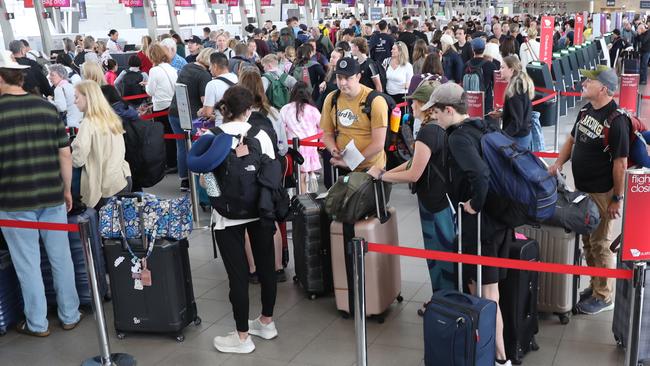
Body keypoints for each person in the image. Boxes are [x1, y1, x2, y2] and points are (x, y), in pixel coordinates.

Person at [0, 50, 82, 338]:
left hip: (12, 201)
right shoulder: (47, 109)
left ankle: (37, 323)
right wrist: (67, 189)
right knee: (61, 258)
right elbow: (65, 153)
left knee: (28, 265)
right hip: (52, 196)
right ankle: (70, 315)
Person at [429, 82, 512, 366]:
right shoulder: (483, 126)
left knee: (485, 294)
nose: (434, 118)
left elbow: (481, 175)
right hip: (500, 220)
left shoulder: (458, 138)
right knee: (492, 292)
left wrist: (474, 205)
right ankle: (495, 353)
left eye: (436, 112)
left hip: (481, 226)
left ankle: (500, 358)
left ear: (449, 110)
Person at [548, 66, 628, 315]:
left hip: (603, 194)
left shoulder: (617, 121)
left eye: (590, 80)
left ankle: (604, 296)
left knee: (600, 244)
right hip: (582, 190)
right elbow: (572, 140)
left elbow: (620, 163)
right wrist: (559, 162)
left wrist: (617, 198)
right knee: (588, 241)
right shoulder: (585, 110)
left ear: (603, 88)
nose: (584, 82)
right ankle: (595, 285)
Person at [367, 80, 456, 302]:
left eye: (414, 103)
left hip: (433, 203)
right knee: (444, 254)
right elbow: (414, 164)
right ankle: (446, 300)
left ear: (426, 105)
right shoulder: (439, 129)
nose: (411, 106)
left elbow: (414, 173)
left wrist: (384, 176)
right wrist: (385, 170)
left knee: (438, 256)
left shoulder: (427, 133)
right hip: (442, 200)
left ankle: (442, 303)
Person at [209, 86, 279, 354]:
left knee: (238, 276)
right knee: (266, 268)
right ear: (249, 110)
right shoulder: (260, 134)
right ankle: (267, 322)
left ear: (224, 109)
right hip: (259, 211)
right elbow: (272, 171)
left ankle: (242, 337)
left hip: (227, 217)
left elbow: (206, 177)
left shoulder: (213, 137)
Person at [320, 57, 388, 172]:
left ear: (358, 77)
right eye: (339, 77)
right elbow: (327, 133)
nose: (342, 83)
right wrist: (333, 150)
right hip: (342, 166)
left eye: (347, 78)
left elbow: (378, 144)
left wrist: (351, 161)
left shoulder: (375, 101)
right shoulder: (331, 98)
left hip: (370, 169)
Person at [71, 80, 131, 209]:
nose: (74, 101)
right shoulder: (111, 118)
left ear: (88, 97)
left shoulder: (88, 123)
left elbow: (77, 160)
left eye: (76, 97)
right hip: (120, 178)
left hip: (103, 186)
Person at [168, 48, 214, 191]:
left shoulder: (186, 67)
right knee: (195, 147)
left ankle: (184, 180)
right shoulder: (204, 75)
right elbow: (204, 100)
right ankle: (196, 181)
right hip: (191, 115)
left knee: (181, 146)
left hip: (174, 111)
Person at [280, 81, 322, 193]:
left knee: (299, 176)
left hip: (293, 149)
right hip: (311, 147)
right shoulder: (313, 110)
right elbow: (322, 126)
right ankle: (311, 176)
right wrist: (320, 140)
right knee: (305, 172)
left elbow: (281, 129)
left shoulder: (285, 109)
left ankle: (303, 199)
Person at [488, 56, 534, 149]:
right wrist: (501, 114)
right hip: (521, 134)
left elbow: (516, 121)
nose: (500, 70)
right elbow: (517, 114)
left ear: (511, 70)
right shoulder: (518, 86)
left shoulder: (515, 91)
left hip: (518, 137)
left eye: (503, 67)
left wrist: (503, 136)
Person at [238, 69, 288, 157]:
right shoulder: (273, 113)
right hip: (269, 163)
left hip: (245, 164)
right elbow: (283, 148)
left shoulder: (236, 113)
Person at [145, 43, 179, 172]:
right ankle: (174, 161)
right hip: (173, 104)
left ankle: (169, 163)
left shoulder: (154, 70)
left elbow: (150, 91)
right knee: (173, 135)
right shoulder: (171, 68)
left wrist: (146, 85)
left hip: (161, 106)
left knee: (165, 137)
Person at [199, 52, 238, 125]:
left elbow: (207, 113)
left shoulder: (212, 84)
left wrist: (200, 112)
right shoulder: (236, 78)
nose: (209, 68)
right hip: (237, 124)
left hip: (221, 126)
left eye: (210, 65)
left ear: (215, 66)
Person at [464, 38, 498, 112]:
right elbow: (496, 85)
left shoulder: (466, 65)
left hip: (470, 102)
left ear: (472, 49)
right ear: (484, 48)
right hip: (486, 102)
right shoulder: (490, 65)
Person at [48, 64, 83, 128]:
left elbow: (61, 108)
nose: (49, 77)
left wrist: (49, 101)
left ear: (61, 76)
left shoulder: (59, 88)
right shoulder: (71, 86)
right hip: (78, 121)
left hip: (68, 124)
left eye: (52, 75)